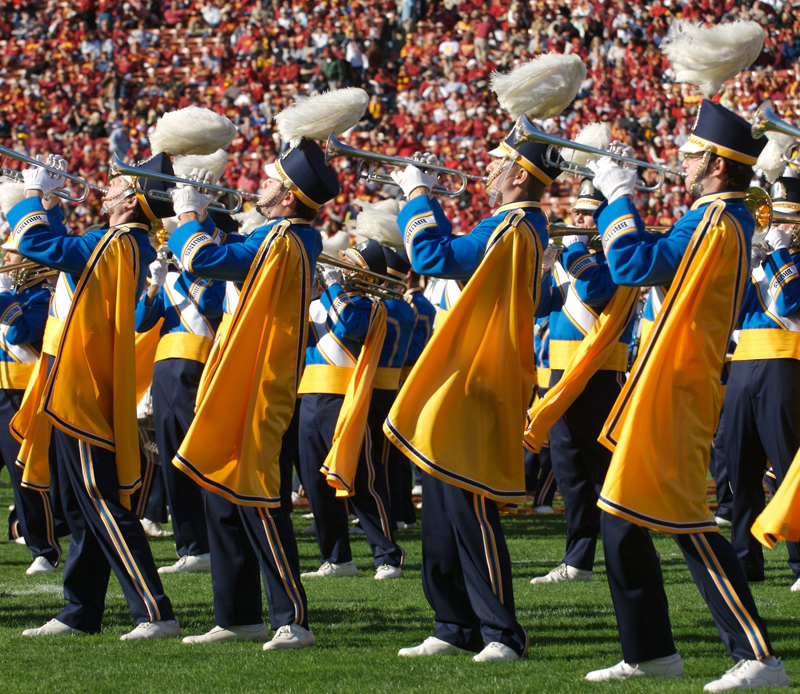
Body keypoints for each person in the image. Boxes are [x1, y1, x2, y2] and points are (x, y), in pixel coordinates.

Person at [585, 99, 789, 691]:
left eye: (694, 153)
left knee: (689, 522)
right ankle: (650, 652)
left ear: (719, 166)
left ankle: (758, 658)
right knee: (620, 518)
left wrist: (619, 196)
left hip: (677, 384)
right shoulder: (718, 216)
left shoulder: (714, 217)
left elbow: (629, 263)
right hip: (673, 379)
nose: (682, 159)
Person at [387, 124, 558, 662]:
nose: (485, 170)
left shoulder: (512, 225)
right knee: (440, 504)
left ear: (517, 174)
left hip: (479, 375)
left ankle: (501, 631)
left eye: (496, 162)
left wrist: (417, 195)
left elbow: (429, 256)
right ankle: (452, 623)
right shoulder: (514, 225)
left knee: (468, 507)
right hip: (471, 372)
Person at [166, 138, 331, 650]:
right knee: (221, 493)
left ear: (287, 197)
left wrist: (190, 213)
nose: (256, 187)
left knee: (259, 498)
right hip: (240, 376)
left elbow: (200, 259)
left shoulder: (285, 239)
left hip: (261, 384)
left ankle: (292, 617)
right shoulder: (278, 235)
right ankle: (238, 615)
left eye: (267, 182)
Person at [9, 152, 179, 640]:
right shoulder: (121, 243)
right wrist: (52, 198)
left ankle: (154, 611)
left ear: (129, 202)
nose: (103, 189)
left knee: (101, 504)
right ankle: (79, 610)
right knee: (81, 507)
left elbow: (38, 243)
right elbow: (66, 252)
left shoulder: (116, 241)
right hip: (72, 384)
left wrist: (35, 196)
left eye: (115, 185)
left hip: (82, 389)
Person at [529, 179, 636, 585]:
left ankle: (625, 552)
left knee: (602, 473)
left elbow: (595, 291)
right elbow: (539, 307)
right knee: (569, 473)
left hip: (598, 378)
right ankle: (578, 560)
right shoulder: (569, 259)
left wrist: (571, 249)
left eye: (588, 213)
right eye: (577, 211)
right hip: (558, 378)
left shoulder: (616, 258)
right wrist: (543, 267)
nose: (578, 219)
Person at [298, 239, 406, 580]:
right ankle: (336, 558)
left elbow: (349, 325)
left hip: (347, 399)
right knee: (316, 484)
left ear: (366, 275)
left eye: (348, 264)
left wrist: (332, 286)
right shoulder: (321, 301)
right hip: (310, 396)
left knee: (361, 480)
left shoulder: (371, 307)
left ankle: (388, 556)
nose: (339, 268)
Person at [724, 174, 800, 589]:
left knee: (789, 465)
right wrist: (750, 264)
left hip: (786, 363)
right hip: (744, 364)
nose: (776, 227)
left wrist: (779, 255)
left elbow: (791, 301)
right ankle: (745, 560)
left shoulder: (789, 259)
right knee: (741, 468)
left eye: (787, 221)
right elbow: (736, 313)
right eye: (776, 219)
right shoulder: (765, 258)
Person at [135, 236, 226, 574]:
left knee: (198, 453)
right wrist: (154, 288)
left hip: (198, 364)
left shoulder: (213, 274)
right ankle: (191, 547)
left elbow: (213, 306)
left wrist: (186, 272)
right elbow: (140, 322)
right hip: (164, 368)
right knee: (170, 459)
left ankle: (218, 538)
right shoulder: (171, 278)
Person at [0, 234, 64, 576]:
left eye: (11, 255)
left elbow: (19, 334)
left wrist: (4, 298)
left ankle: (44, 548)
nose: (6, 260)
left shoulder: (43, 297)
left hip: (22, 392)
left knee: (23, 473)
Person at [386, 247, 435, 529]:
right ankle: (402, 510)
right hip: (407, 375)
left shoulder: (415, 305)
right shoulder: (419, 303)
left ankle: (401, 509)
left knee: (395, 450)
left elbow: (408, 348)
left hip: (403, 376)